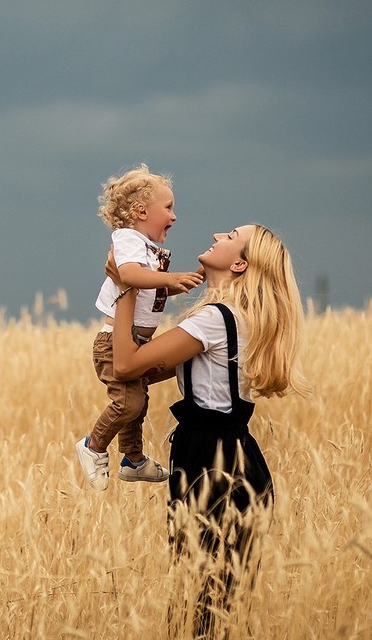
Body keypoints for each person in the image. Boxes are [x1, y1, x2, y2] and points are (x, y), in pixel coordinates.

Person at [106, 223, 310, 637]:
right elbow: (140, 372)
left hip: (209, 462)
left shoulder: (216, 320)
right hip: (240, 461)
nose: (218, 234)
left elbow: (125, 366)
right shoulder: (235, 318)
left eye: (231, 235)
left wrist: (125, 285)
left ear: (239, 263)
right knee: (218, 609)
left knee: (194, 607)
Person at [75, 164, 204, 491]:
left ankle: (132, 460)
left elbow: (149, 287)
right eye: (169, 207)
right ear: (141, 211)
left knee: (137, 400)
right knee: (128, 404)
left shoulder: (147, 248)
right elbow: (129, 276)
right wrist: (170, 277)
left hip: (137, 343)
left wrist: (182, 281)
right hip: (114, 345)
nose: (174, 217)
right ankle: (93, 445)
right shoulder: (128, 239)